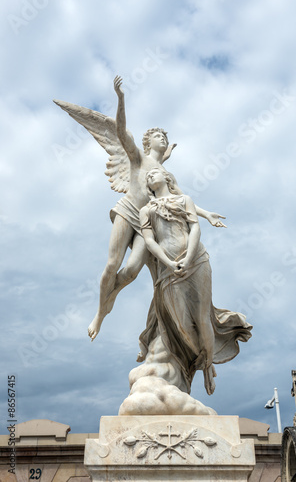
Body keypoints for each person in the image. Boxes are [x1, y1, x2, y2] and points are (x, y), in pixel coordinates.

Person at [87, 76, 226, 341]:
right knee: (112, 264)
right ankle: (99, 314)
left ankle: (110, 299)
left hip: (145, 224)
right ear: (149, 142)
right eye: (159, 136)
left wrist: (207, 215)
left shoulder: (164, 172)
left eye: (164, 137)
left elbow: (180, 198)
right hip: (128, 210)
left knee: (129, 273)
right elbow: (120, 131)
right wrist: (121, 99)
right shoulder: (138, 158)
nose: (163, 139)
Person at [138, 168, 252, 395]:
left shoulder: (184, 199)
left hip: (196, 261)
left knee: (202, 318)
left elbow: (194, 228)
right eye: (147, 176)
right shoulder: (146, 210)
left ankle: (208, 367)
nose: (150, 175)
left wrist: (188, 258)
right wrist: (169, 263)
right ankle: (194, 362)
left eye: (154, 172)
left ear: (167, 178)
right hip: (168, 270)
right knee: (180, 324)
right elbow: (150, 242)